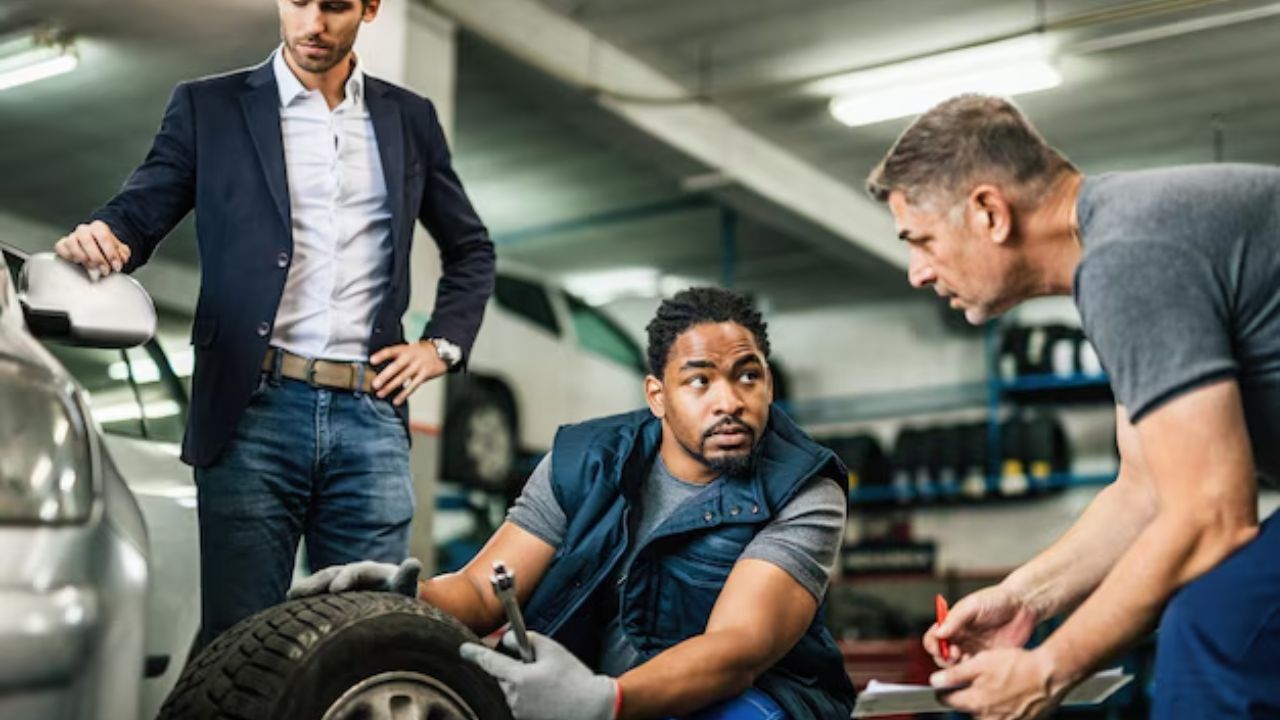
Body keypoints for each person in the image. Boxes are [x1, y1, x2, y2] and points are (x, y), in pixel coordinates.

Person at [53, 0, 494, 647]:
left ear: (371, 9)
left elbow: (470, 249)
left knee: (369, 638)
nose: (313, 22)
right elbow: (142, 208)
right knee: (241, 641)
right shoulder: (211, 106)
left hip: (370, 419)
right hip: (252, 411)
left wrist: (441, 347)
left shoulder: (410, 119)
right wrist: (107, 236)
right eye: (299, 2)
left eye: (336, 5)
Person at [865, 93, 1280, 718]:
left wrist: (1048, 669)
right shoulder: (1121, 248)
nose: (916, 272)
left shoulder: (1130, 256)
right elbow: (1146, 491)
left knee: (1215, 627)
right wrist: (1025, 598)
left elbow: (1212, 516)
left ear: (988, 213)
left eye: (920, 240)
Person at [291, 287, 856, 720]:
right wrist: (402, 599)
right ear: (657, 396)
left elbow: (738, 649)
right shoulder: (582, 460)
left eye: (747, 376)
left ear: (768, 387)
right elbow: (481, 591)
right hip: (586, 688)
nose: (729, 401)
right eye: (700, 381)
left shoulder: (805, 487)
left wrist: (604, 701)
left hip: (742, 698)